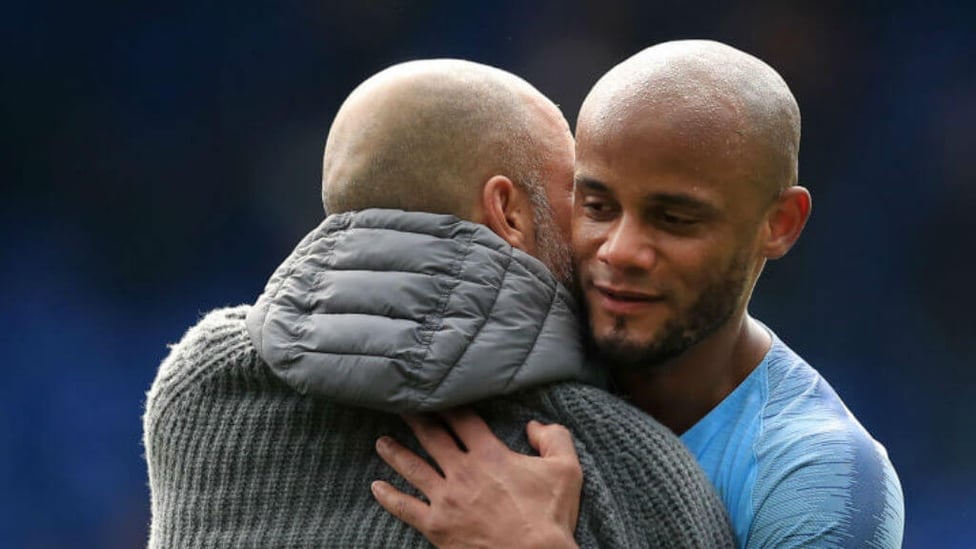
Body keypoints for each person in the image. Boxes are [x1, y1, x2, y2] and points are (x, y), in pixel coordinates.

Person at [143, 58, 735, 548]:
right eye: (578, 197)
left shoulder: (200, 382)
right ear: (508, 212)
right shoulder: (623, 464)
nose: (597, 237)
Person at [372, 41, 905, 548]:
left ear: (779, 223)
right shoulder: (487, 360)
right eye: (598, 208)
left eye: (674, 219)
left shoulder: (817, 478)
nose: (620, 251)